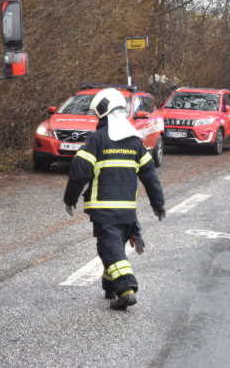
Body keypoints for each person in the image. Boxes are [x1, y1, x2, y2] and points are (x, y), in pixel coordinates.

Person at [63, 88, 166, 310]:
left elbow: (80, 170)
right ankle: (109, 285)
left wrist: (69, 198)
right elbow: (150, 176)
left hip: (103, 210)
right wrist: (158, 204)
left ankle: (126, 288)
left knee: (109, 249)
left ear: (103, 112)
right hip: (128, 212)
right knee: (114, 247)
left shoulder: (97, 139)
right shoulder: (135, 143)